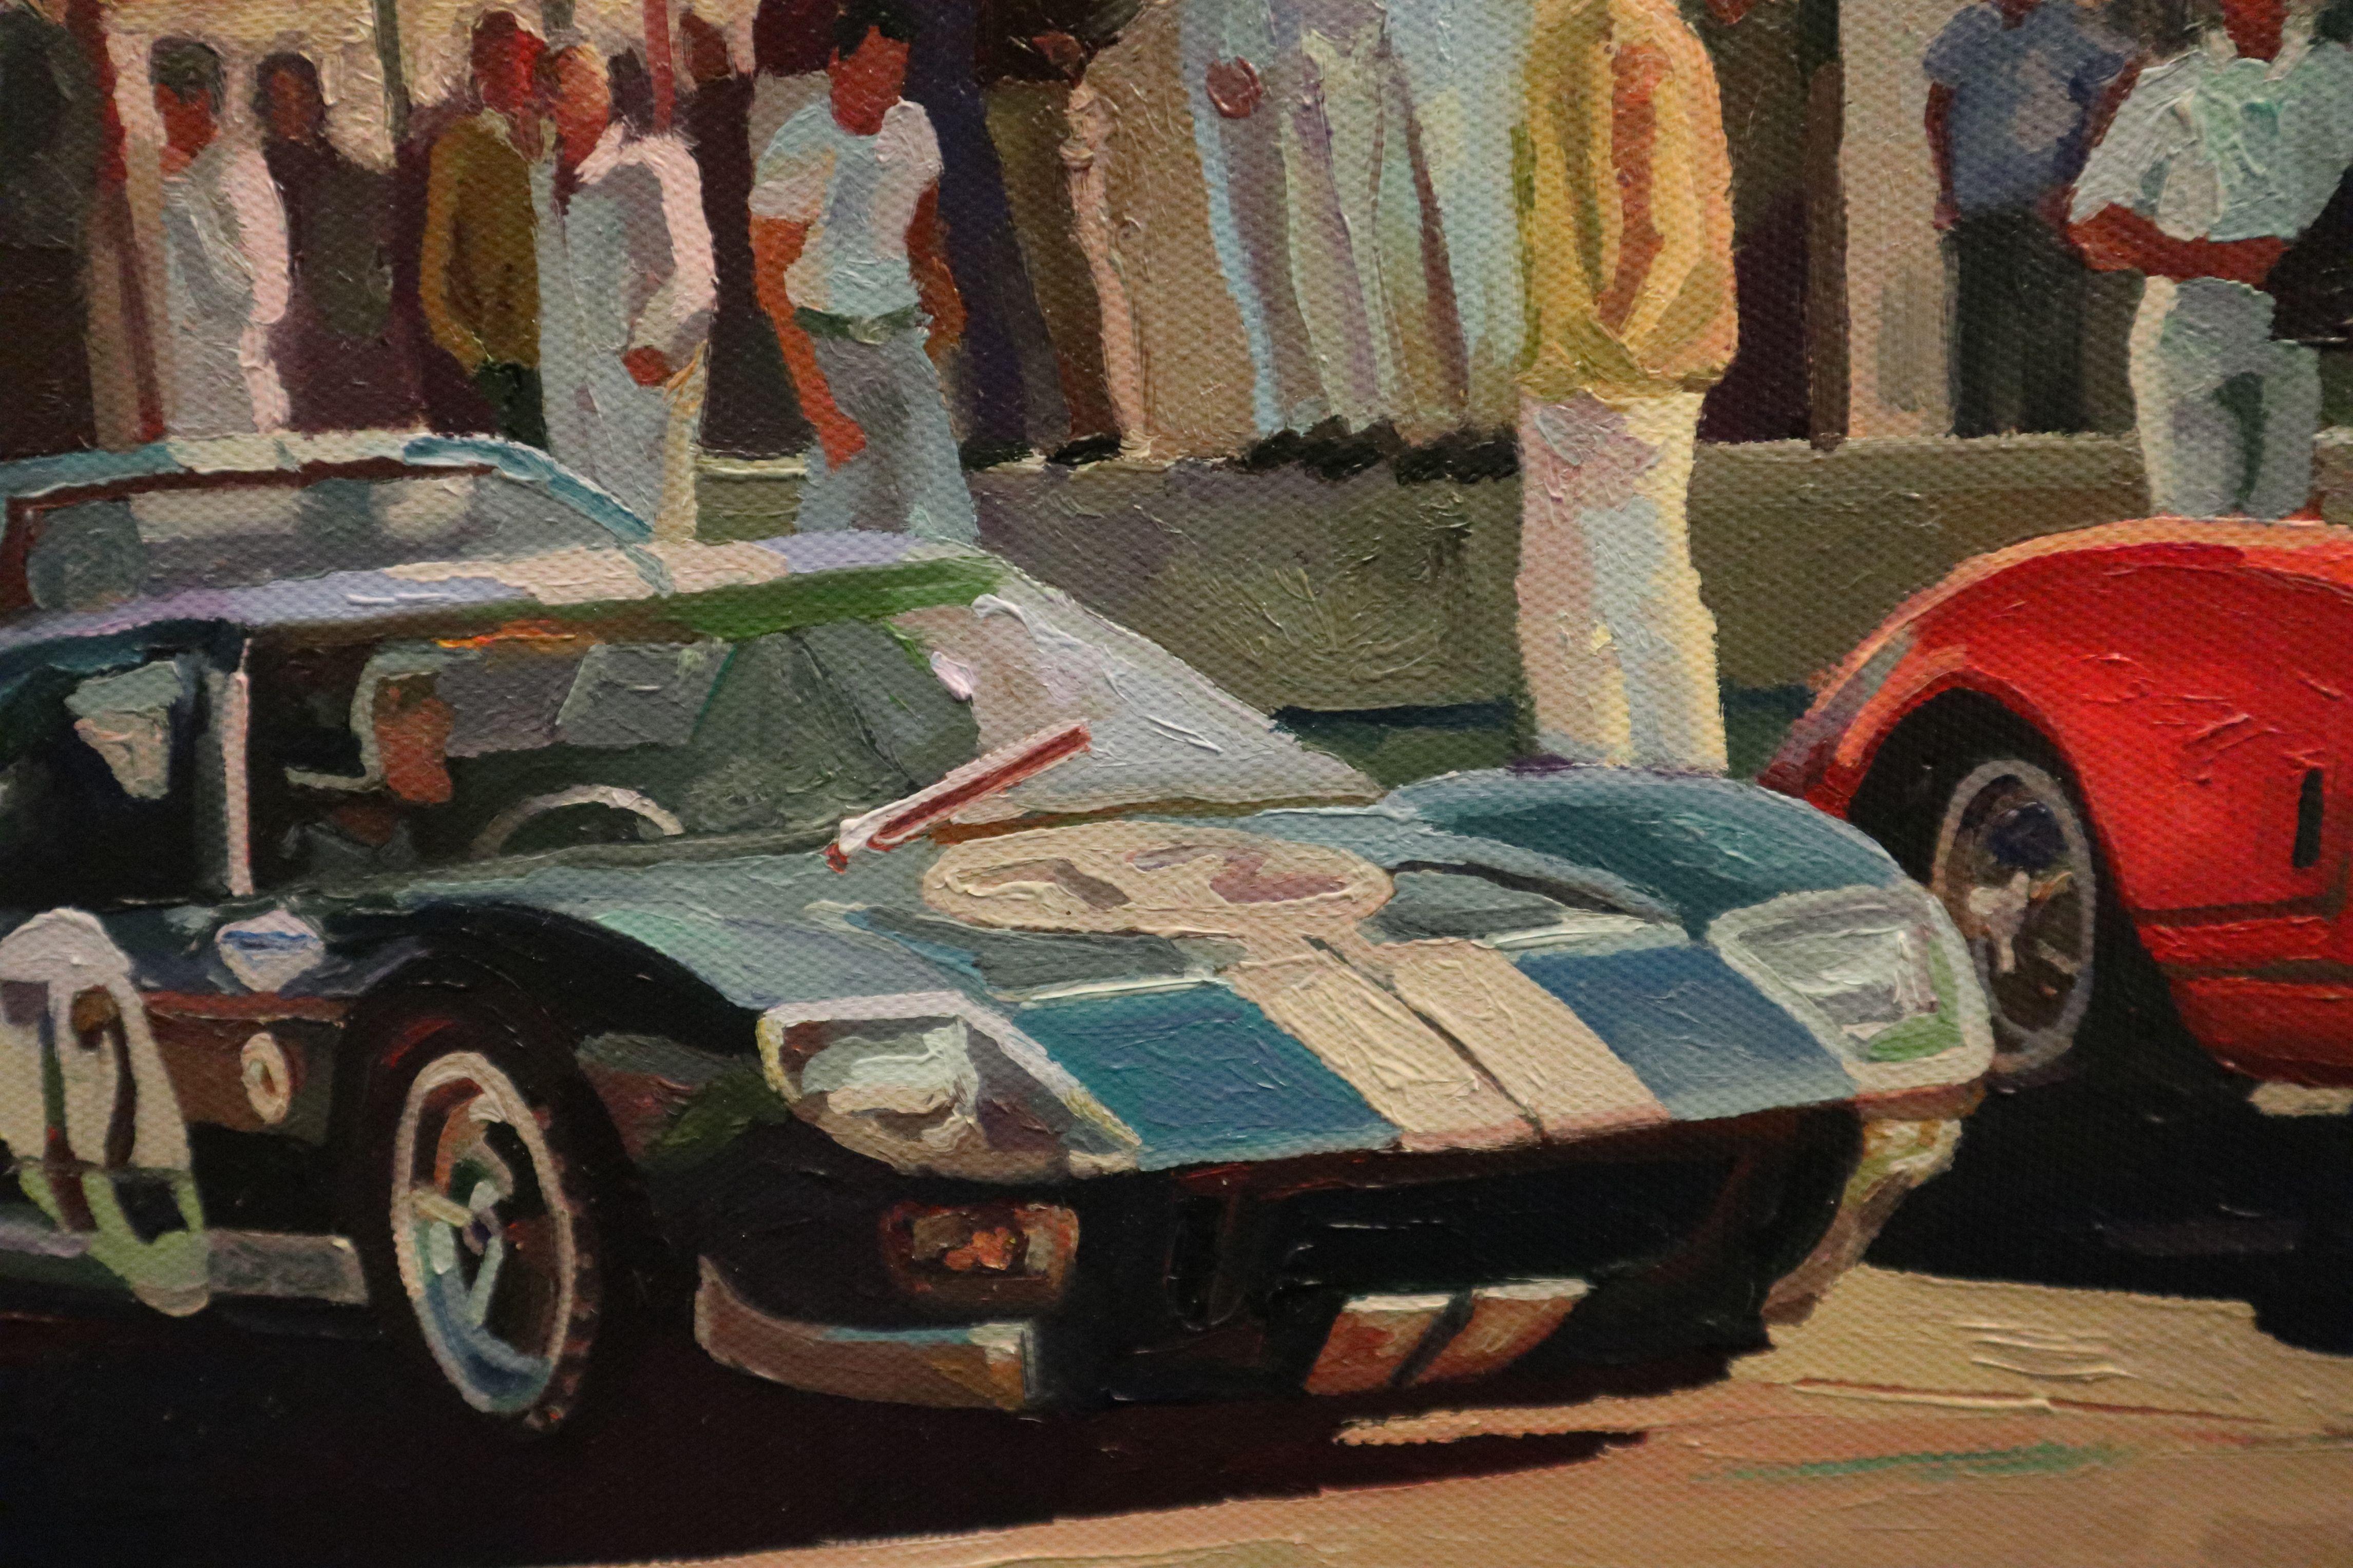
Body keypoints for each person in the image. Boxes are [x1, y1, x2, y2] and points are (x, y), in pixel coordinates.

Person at [1513, 0, 1739, 773]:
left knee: (1639, 589)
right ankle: (1584, 770)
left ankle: (1685, 780)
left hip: (1627, 370)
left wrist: (1611, 345)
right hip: (1569, 364)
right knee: (1562, 594)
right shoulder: (1565, 32)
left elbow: (1664, 224)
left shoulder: (1628, 35)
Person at [2071, 0, 2353, 518]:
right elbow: (2091, 218)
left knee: (2280, 529)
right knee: (2195, 529)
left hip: (2293, 331)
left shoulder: (2334, 78)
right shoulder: (2172, 85)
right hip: (2189, 329)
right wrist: (2205, 260)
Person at [750, 0, 978, 542]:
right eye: (872, 67)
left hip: (899, 337)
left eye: (895, 70)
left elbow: (919, 239)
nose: (884, 85)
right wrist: (821, 408)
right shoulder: (801, 146)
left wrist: (940, 297)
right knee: (835, 522)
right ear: (838, 63)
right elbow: (771, 281)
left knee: (941, 511)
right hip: (830, 343)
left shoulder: (913, 128)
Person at [1925, 0, 2133, 437]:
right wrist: (1946, 190)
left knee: (2050, 317)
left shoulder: (2073, 24)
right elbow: (1938, 110)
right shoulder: (1971, 26)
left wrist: (2081, 182)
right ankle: (1975, 427)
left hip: (2048, 202)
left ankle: (2052, 427)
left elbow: (2120, 88)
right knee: (1978, 316)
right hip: (1979, 200)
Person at [536, 44, 716, 534]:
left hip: (638, 378)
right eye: (556, 90)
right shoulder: (543, 179)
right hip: (569, 382)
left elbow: (693, 270)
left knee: (653, 526)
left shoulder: (650, 165)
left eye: (582, 84)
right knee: (583, 528)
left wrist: (657, 347)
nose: (565, 99)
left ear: (606, 90)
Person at [255, 52, 418, 432]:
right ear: (266, 110)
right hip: (304, 337)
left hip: (362, 333)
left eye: (304, 96)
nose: (296, 109)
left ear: (319, 103)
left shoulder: (348, 175)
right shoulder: (263, 178)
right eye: (283, 100)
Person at [680, 8, 809, 457]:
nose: (693, 59)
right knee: (745, 312)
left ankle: (750, 426)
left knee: (746, 311)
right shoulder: (728, 101)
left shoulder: (723, 105)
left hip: (736, 230)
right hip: (729, 232)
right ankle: (758, 424)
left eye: (698, 48)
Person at [420, 11, 548, 449]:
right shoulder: (460, 148)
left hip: (573, 359)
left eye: (522, 61)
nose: (514, 75)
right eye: (497, 62)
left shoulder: (561, 140)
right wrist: (477, 360)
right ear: (479, 70)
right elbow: (434, 275)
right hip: (507, 365)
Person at [150, 37, 290, 438]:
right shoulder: (177, 175)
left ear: (198, 101)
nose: (160, 123)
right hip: (187, 401)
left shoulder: (238, 173)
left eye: (163, 107)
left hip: (236, 403)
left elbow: (252, 295)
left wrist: (182, 198)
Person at [0, 0, 101, 458]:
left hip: (24, 248)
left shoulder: (24, 41)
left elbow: (30, 144)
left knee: (31, 410)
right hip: (49, 249)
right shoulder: (57, 46)